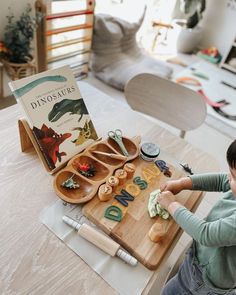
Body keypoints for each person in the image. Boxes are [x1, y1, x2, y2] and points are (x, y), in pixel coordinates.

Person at [157, 139, 236, 295]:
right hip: (199, 261)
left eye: (233, 176)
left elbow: (206, 234)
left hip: (207, 281)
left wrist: (172, 205)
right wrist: (182, 183)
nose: (228, 178)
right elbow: (220, 180)